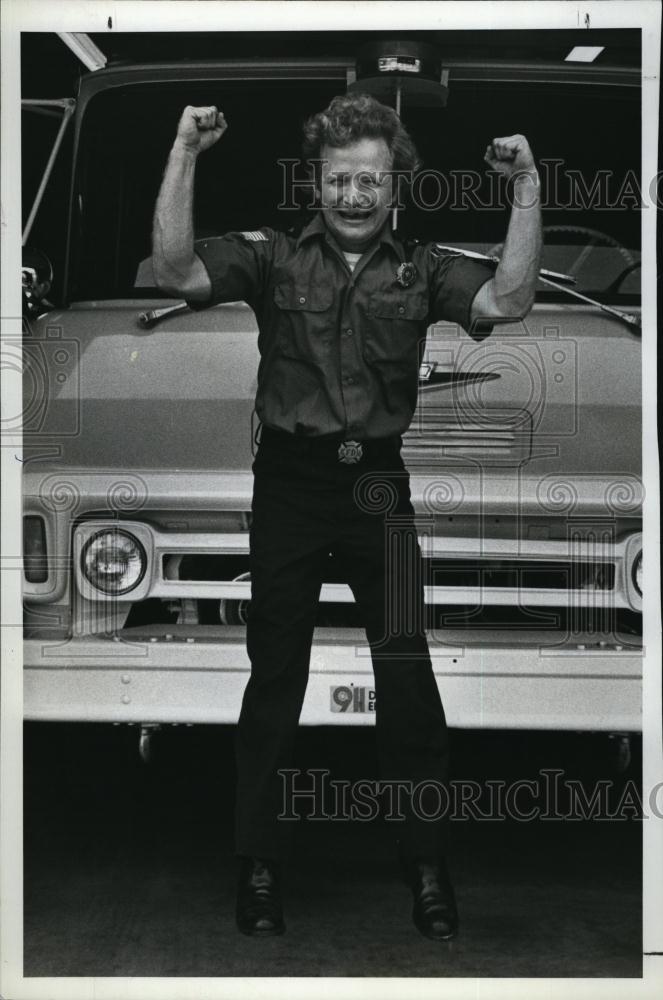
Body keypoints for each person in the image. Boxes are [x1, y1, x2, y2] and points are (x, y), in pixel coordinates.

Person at [152, 92, 542, 941]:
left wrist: (525, 188)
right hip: (290, 487)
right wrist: (185, 151)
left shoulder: (427, 268)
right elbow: (176, 270)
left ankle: (426, 863)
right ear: (317, 184)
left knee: (408, 679)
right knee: (274, 681)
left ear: (393, 186)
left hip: (378, 489)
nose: (354, 195)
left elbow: (509, 303)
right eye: (339, 179)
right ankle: (259, 865)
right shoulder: (276, 259)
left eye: (370, 180)